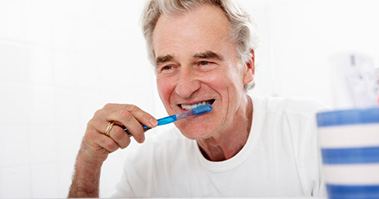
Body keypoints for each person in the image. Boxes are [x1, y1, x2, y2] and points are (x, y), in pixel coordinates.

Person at [68, 0, 324, 197]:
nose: (185, 88)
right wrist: (88, 162)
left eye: (204, 62)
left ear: (248, 65)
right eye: (168, 66)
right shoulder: (149, 165)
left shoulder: (313, 133)